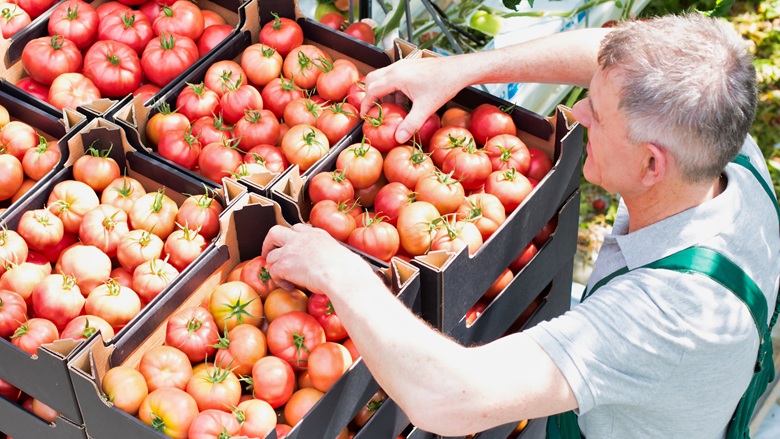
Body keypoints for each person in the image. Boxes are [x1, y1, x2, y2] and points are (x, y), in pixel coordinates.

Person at [262, 13, 780, 438]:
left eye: (597, 115)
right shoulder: (724, 150)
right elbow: (607, 54)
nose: (577, 114)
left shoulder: (661, 317)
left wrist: (339, 270)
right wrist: (461, 70)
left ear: (651, 164)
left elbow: (451, 397)